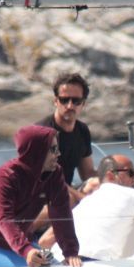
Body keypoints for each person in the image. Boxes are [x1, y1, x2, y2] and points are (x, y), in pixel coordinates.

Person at [0, 125, 82, 267]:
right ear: (37, 151)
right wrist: (26, 250)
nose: (59, 154)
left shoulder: (55, 173)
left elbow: (61, 212)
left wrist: (70, 251)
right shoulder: (6, 176)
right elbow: (5, 219)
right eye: (53, 149)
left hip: (23, 244)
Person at [39, 154, 134, 261]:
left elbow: (44, 241)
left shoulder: (85, 203)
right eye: (131, 173)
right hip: (95, 265)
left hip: (61, 261)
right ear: (110, 175)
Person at [36, 72, 97, 201]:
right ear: (55, 101)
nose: (70, 106)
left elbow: (88, 174)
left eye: (76, 101)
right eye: (64, 100)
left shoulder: (82, 131)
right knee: (69, 198)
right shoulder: (42, 132)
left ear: (83, 103)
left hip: (65, 192)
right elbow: (45, 179)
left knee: (98, 185)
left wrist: (117, 174)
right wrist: (81, 197)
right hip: (39, 195)